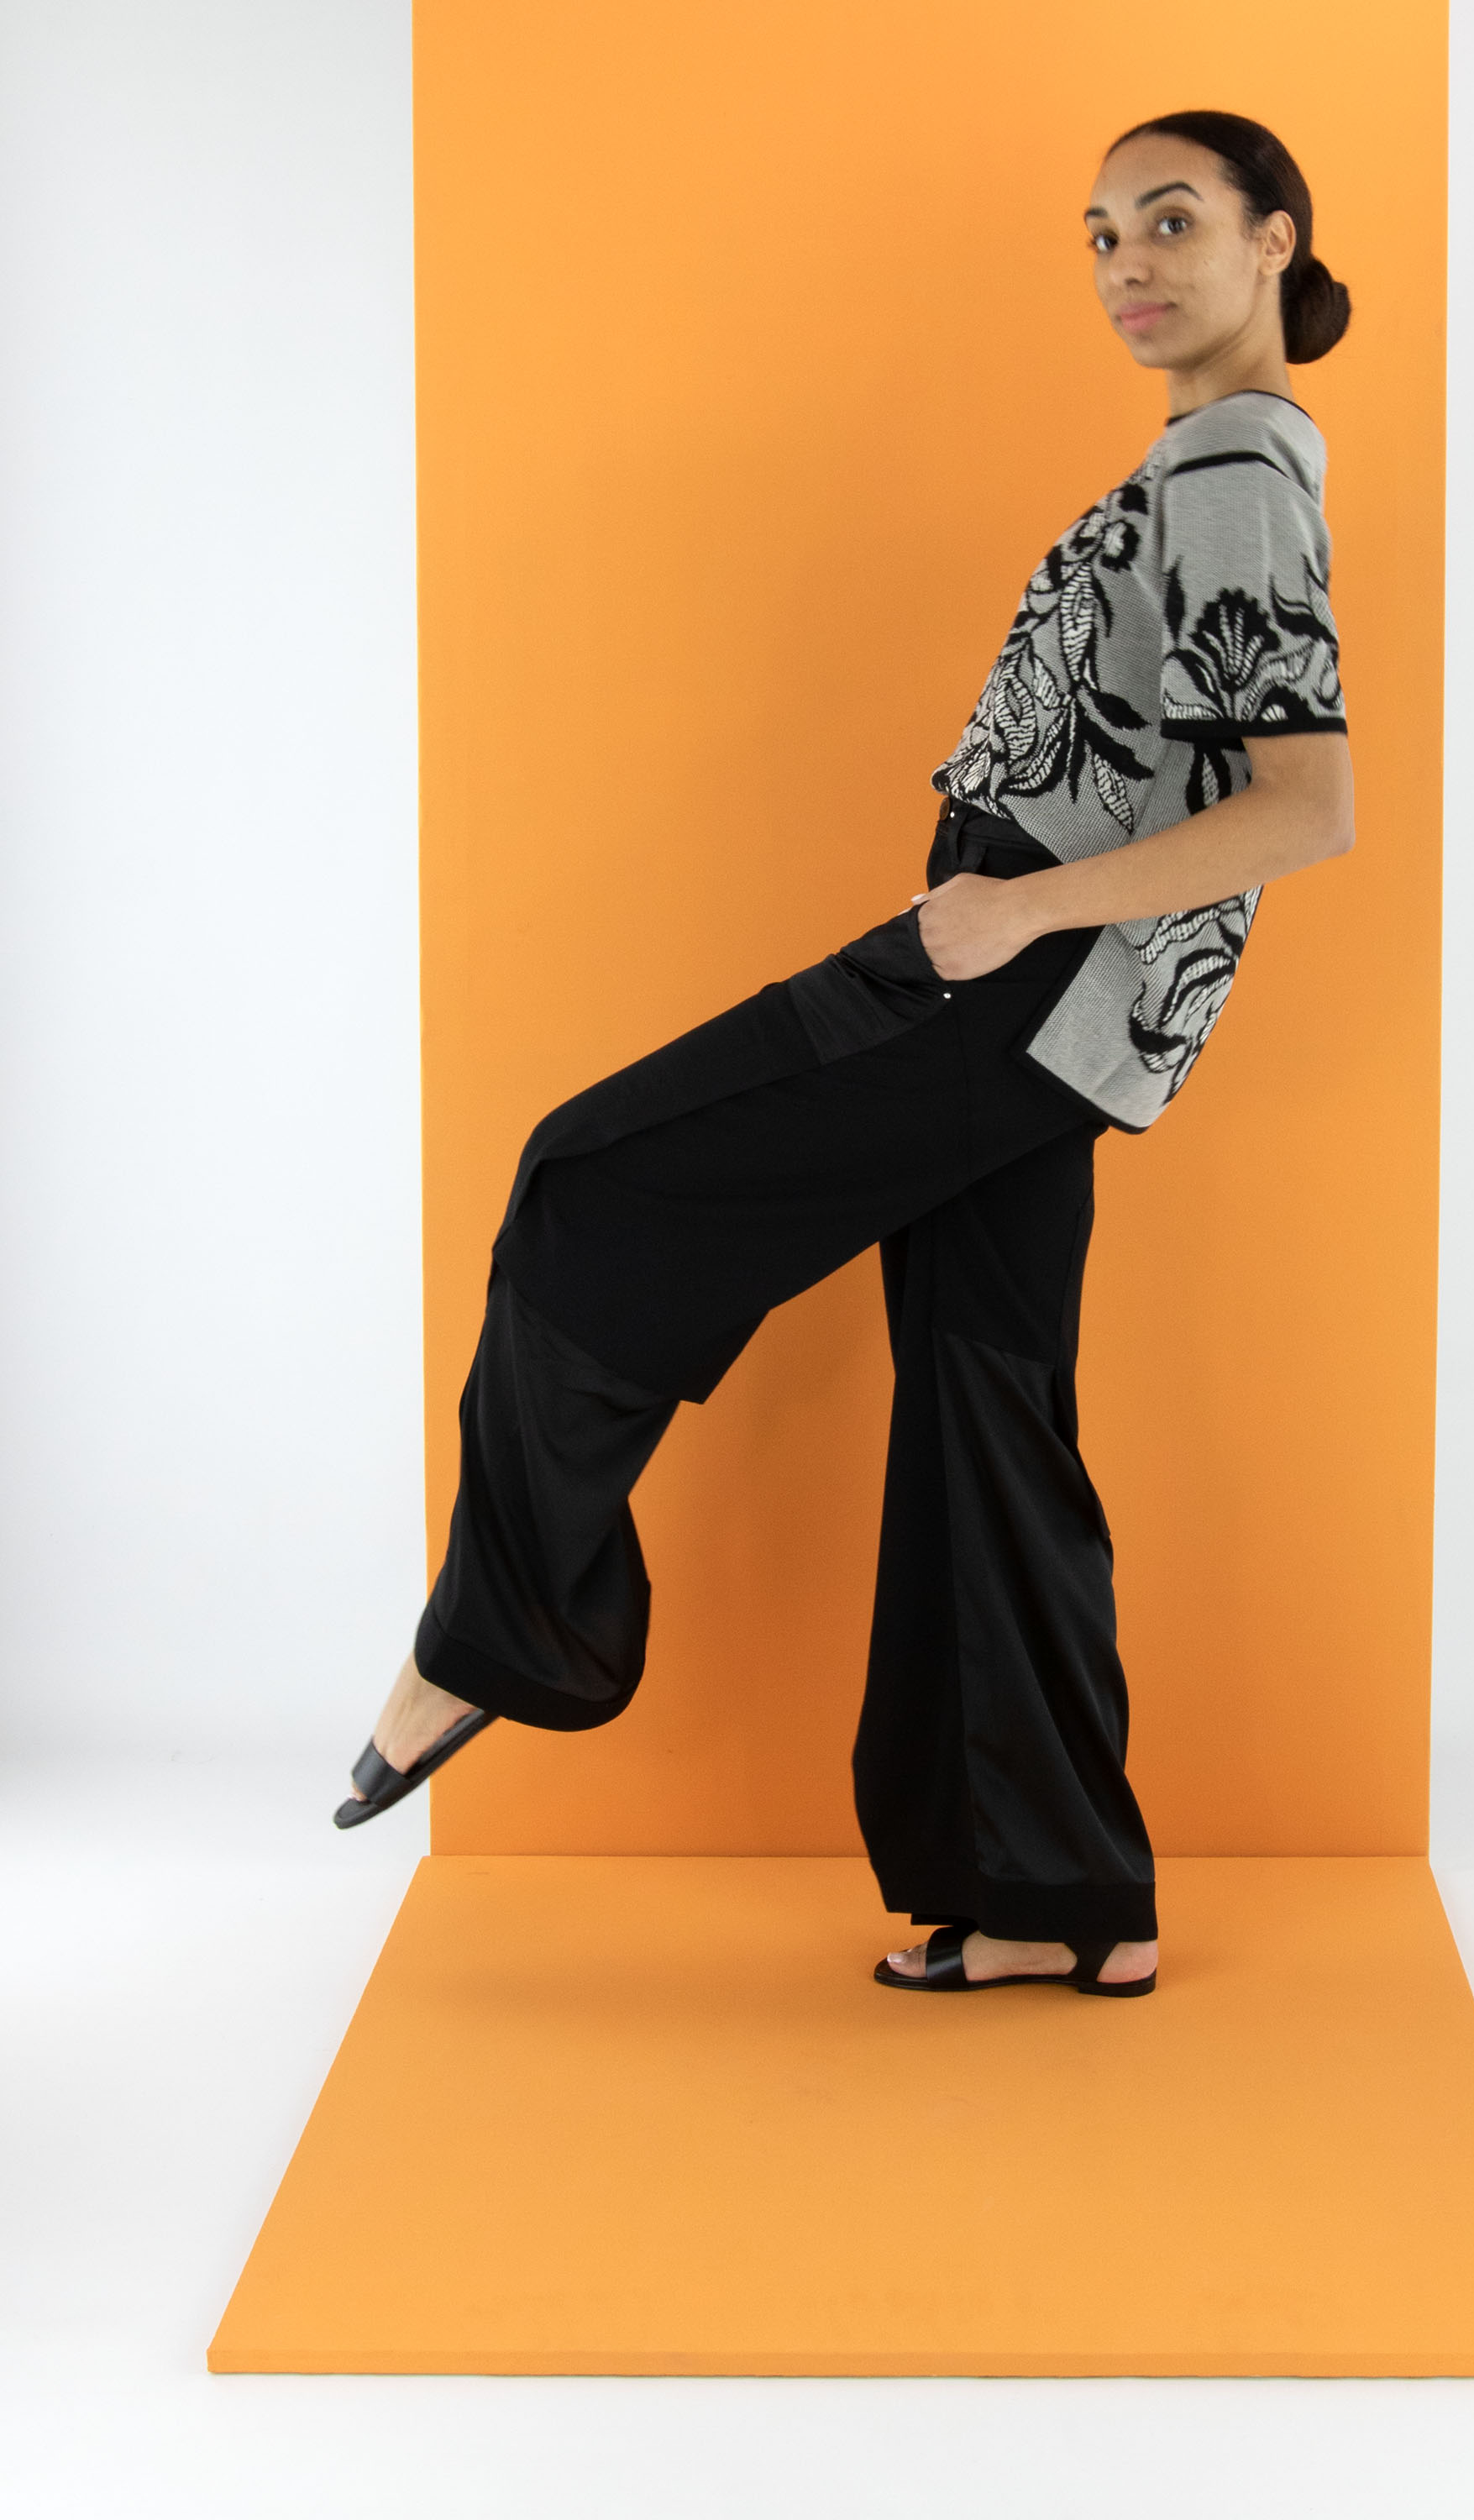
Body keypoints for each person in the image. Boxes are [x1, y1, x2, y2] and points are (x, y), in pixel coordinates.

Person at [336, 109, 1356, 2001]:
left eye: (1171, 221)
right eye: (1100, 234)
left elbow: (1306, 808)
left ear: (1274, 240)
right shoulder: (1218, 458)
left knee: (589, 1180)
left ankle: (497, 1640)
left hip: (1014, 980)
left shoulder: (1233, 465)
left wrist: (1019, 916)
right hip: (1052, 1000)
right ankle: (1056, 1894)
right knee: (988, 1405)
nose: (1128, 264)